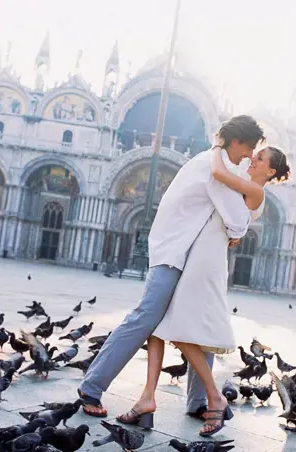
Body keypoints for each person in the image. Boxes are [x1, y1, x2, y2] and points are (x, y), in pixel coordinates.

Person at [77, 115, 265, 419]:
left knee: (197, 319)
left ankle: (197, 402)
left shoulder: (213, 161)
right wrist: (238, 232)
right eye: (248, 147)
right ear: (236, 140)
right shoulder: (213, 167)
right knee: (146, 316)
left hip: (183, 253)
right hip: (174, 252)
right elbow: (235, 221)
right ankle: (92, 386)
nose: (248, 155)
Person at [117, 143, 291, 436]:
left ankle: (214, 396)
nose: (252, 158)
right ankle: (148, 398)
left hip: (205, 260)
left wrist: (218, 147)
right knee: (160, 326)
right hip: (194, 253)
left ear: (270, 170)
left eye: (259, 158)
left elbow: (216, 171)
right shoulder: (245, 187)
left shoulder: (255, 191)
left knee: (172, 327)